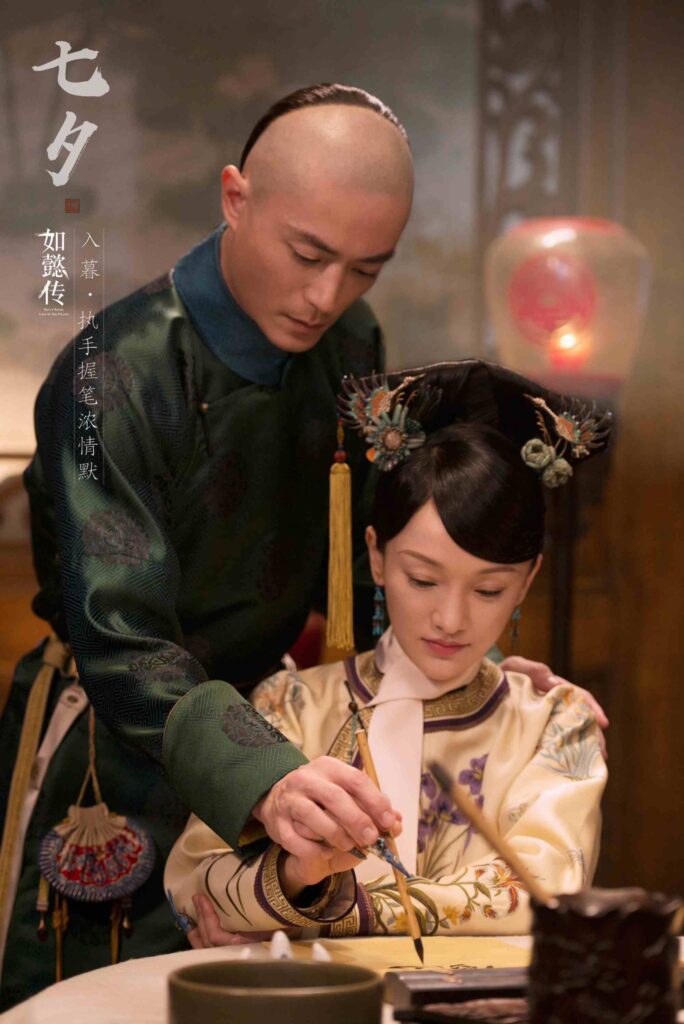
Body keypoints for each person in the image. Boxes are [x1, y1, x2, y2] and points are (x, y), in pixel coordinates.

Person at [0, 86, 603, 1004]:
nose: (328, 297)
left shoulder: (348, 340)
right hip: (121, 741)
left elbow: (371, 559)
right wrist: (268, 780)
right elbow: (120, 638)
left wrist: (468, 664)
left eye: (366, 268)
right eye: (309, 255)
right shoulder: (111, 374)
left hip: (291, 728)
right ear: (235, 197)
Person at [165, 361, 608, 942]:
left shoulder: (555, 722)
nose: (451, 619)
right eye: (422, 579)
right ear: (375, 556)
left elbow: (544, 889)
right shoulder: (292, 703)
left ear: (528, 581)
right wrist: (297, 876)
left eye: (489, 590)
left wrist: (330, 909)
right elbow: (194, 880)